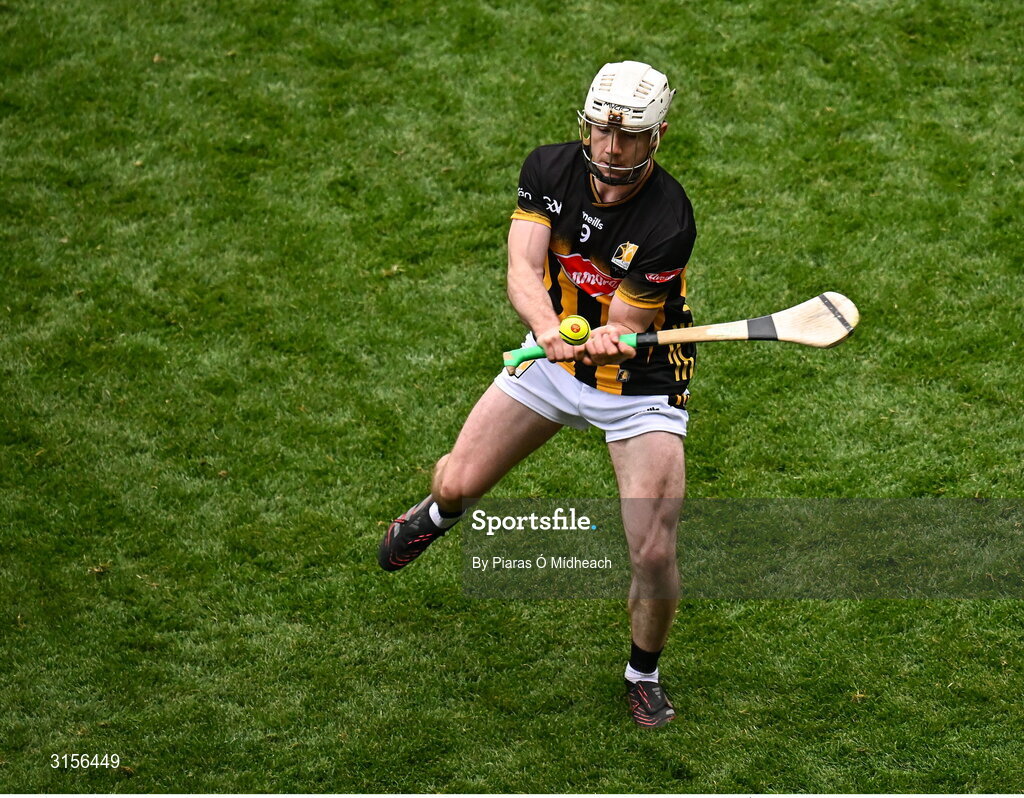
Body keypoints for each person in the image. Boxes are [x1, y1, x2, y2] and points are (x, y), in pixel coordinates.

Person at [379, 61, 697, 728]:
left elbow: (629, 324)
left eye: (630, 137)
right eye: (602, 133)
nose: (612, 150)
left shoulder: (669, 218)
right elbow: (523, 266)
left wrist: (610, 335)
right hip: (551, 364)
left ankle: (644, 671)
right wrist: (550, 331)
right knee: (455, 481)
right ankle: (435, 517)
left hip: (639, 384)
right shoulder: (547, 171)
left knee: (654, 549)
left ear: (658, 136)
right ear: (584, 125)